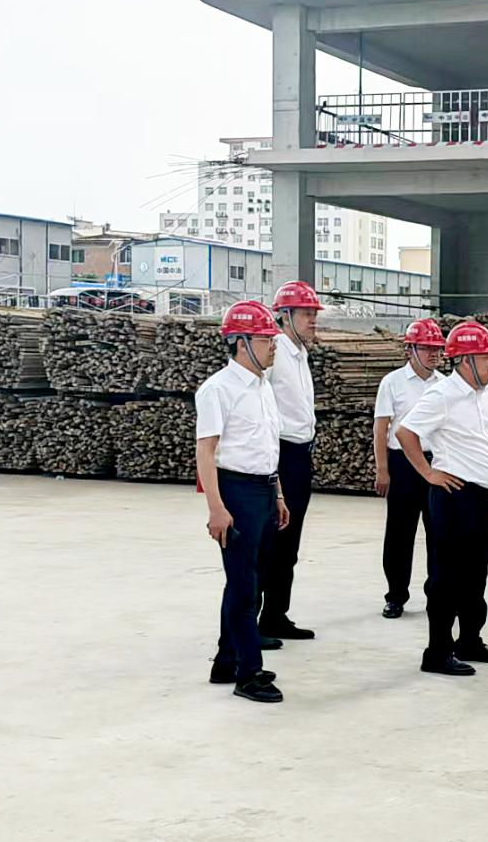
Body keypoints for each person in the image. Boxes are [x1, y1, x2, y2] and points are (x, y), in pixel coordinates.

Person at [396, 321, 488, 677]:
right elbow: (405, 432)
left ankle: (469, 640)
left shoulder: (481, 393)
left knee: (475, 575)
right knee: (446, 578)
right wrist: (428, 473)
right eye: (487, 357)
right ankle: (437, 652)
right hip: (454, 497)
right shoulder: (442, 395)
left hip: (480, 499)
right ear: (465, 360)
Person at [195, 300, 289, 704]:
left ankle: (227, 660)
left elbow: (267, 445)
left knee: (248, 580)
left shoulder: (263, 387)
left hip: (264, 490)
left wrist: (278, 492)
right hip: (236, 491)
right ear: (241, 342)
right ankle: (249, 674)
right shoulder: (218, 389)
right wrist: (216, 508)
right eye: (266, 339)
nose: (273, 346)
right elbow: (206, 451)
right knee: (243, 585)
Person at [258, 281, 323, 644]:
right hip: (279, 453)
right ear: (285, 315)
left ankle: (275, 614)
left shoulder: (300, 353)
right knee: (271, 540)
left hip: (299, 454)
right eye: (305, 314)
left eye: (314, 314)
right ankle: (256, 620)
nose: (313, 320)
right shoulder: (274, 351)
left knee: (289, 542)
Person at [373, 319, 446, 619]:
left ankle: (437, 594)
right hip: (402, 464)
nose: (433, 354)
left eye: (437, 348)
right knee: (399, 533)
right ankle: (396, 595)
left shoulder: (444, 384)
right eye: (426, 348)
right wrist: (382, 469)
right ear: (409, 350)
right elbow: (381, 427)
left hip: (436, 462)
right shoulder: (392, 382)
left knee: (438, 532)